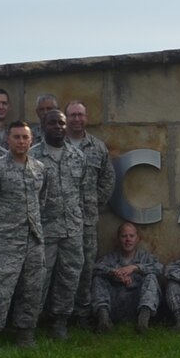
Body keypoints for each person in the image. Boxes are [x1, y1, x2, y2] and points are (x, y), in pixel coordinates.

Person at [0, 120, 49, 350]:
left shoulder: (39, 169)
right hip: (4, 240)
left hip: (33, 240)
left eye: (25, 137)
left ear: (31, 140)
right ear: (8, 139)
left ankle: (25, 335)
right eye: (16, 137)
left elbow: (41, 201)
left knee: (32, 289)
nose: (21, 141)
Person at [33, 109, 87, 339]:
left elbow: (82, 191)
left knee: (70, 277)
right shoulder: (33, 157)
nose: (58, 127)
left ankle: (60, 322)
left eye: (62, 123)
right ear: (43, 126)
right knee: (38, 279)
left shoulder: (78, 156)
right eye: (53, 123)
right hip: (44, 230)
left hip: (72, 230)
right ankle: (31, 323)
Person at [64, 101, 116, 324]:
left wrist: (94, 202)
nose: (76, 119)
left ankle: (82, 313)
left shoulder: (97, 147)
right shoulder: (55, 144)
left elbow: (108, 178)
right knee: (62, 267)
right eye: (72, 115)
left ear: (86, 118)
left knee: (86, 266)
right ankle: (60, 314)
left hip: (87, 220)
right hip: (59, 220)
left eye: (80, 115)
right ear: (66, 119)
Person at [92, 220, 162, 333]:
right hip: (116, 303)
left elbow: (160, 268)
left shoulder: (145, 258)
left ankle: (143, 323)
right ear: (119, 239)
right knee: (98, 279)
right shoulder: (110, 258)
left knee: (151, 278)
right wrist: (113, 273)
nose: (128, 239)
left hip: (137, 304)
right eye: (124, 236)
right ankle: (104, 321)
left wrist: (136, 267)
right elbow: (94, 268)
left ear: (138, 238)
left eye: (131, 236)